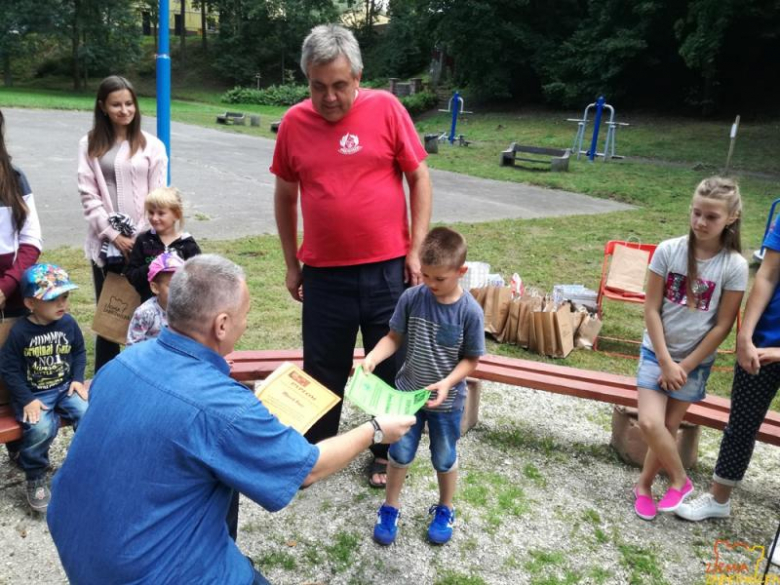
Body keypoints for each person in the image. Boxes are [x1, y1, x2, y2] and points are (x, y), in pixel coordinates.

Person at [47, 255, 415, 585]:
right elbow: (308, 470)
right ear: (221, 324)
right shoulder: (223, 407)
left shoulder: (121, 364)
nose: (246, 324)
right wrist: (377, 429)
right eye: (245, 316)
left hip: (76, 544)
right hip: (147, 572)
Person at [271, 24, 432, 488]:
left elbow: (419, 177)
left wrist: (416, 248)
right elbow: (285, 197)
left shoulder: (386, 108)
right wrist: (290, 262)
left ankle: (385, 450)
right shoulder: (295, 124)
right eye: (318, 86)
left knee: (388, 363)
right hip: (323, 273)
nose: (329, 97)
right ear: (307, 81)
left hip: (388, 269)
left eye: (340, 85)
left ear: (358, 76)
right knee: (323, 365)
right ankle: (318, 452)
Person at [632, 177, 747, 521]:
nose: (700, 222)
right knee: (651, 423)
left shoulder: (735, 266)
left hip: (694, 362)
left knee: (669, 426)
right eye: (696, 213)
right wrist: (666, 362)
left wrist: (686, 365)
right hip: (657, 353)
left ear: (731, 217)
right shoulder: (668, 250)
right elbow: (651, 308)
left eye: (711, 216)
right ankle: (681, 480)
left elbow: (723, 325)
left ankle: (644, 485)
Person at [363, 227, 485, 545]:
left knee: (444, 458)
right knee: (399, 453)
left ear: (461, 272)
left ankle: (445, 508)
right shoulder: (412, 298)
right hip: (408, 396)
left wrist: (447, 383)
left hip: (446, 403)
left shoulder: (470, 312)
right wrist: (373, 358)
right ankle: (390, 507)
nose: (429, 284)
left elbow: (471, 360)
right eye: (426, 275)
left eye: (439, 278)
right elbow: (393, 337)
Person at [676, 212, 780, 524]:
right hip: (763, 342)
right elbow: (767, 274)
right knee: (741, 425)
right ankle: (718, 499)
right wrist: (745, 336)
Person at [78, 75, 168, 372]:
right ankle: (106, 379)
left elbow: (159, 195)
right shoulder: (89, 144)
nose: (124, 110)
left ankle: (147, 373)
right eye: (116, 104)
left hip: (144, 247)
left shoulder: (152, 147)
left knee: (146, 312)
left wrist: (140, 240)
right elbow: (88, 194)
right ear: (103, 106)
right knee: (111, 315)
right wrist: (114, 234)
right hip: (106, 247)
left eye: (129, 103)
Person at [0, 264, 87, 512]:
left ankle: (83, 465)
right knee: (41, 428)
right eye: (53, 299)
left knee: (87, 413)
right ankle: (36, 474)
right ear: (31, 303)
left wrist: (78, 379)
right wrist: (26, 399)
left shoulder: (68, 324)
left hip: (64, 388)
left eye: (65, 297)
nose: (62, 304)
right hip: (34, 395)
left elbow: (79, 352)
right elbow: (9, 369)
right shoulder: (20, 332)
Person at [0, 108, 44, 468]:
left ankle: (19, 449)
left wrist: (7, 285)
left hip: (12, 294)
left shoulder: (15, 179)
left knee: (14, 369)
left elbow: (31, 242)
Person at [126, 186, 201, 302]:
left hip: (180, 309)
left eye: (161, 213)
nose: (155, 218)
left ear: (176, 215)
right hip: (149, 306)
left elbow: (198, 279)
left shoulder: (187, 245)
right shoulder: (143, 241)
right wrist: (153, 266)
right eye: (151, 212)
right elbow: (131, 275)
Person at [126, 252, 184, 346]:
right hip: (150, 358)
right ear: (155, 288)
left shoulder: (187, 311)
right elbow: (133, 346)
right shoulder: (145, 313)